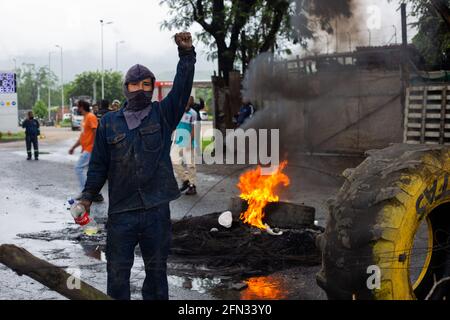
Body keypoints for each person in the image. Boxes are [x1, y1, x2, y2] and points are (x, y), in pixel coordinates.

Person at [78, 32, 196, 300]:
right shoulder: (109, 123)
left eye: (146, 84)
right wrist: (86, 198)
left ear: (152, 87)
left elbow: (181, 88)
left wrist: (186, 55)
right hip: (122, 214)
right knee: (118, 275)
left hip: (156, 211)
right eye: (135, 85)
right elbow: (98, 166)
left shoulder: (162, 114)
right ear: (126, 88)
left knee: (156, 276)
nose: (141, 89)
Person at [68, 100, 104, 202]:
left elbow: (96, 132)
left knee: (78, 168)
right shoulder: (85, 118)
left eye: (78, 107)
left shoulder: (91, 117)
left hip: (91, 149)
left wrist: (97, 147)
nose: (78, 109)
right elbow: (83, 136)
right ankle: (97, 194)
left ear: (82, 107)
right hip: (86, 148)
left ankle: (86, 192)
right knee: (91, 173)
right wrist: (73, 147)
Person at [171, 96, 198, 196]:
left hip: (188, 142)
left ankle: (192, 186)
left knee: (190, 165)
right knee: (174, 161)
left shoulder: (193, 113)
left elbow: (194, 128)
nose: (186, 106)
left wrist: (189, 141)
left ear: (191, 104)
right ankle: (185, 180)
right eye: (185, 104)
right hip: (178, 141)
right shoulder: (178, 112)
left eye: (188, 104)